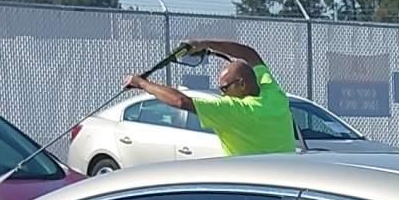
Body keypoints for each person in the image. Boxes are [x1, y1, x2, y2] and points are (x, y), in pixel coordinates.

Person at [122, 40, 298, 156]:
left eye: (224, 88)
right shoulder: (273, 92)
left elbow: (181, 101)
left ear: (242, 84)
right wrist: (203, 43)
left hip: (249, 189)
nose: (222, 93)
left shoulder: (235, 110)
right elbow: (250, 53)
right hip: (283, 183)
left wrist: (141, 83)